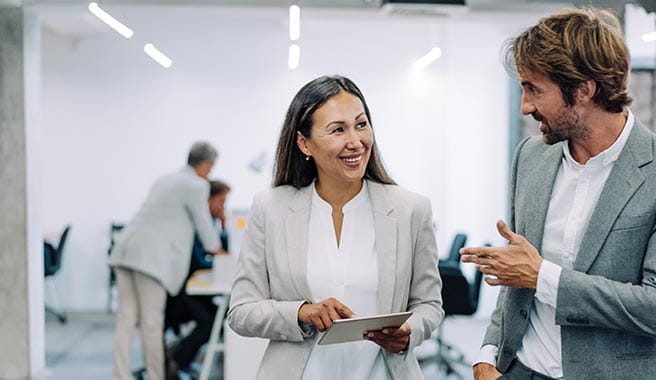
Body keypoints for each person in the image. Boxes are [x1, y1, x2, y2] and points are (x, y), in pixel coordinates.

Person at [461, 8, 656, 380]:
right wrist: (488, 353)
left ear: (583, 90)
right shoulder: (530, 156)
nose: (525, 106)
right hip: (520, 370)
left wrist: (542, 275)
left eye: (534, 89)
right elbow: (518, 275)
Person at [227, 75, 443, 379]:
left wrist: (411, 331)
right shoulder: (270, 209)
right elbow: (241, 311)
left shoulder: (411, 210)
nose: (355, 141)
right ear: (304, 143)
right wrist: (301, 313)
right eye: (338, 130)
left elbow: (429, 305)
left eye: (361, 124)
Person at [110, 142, 227, 380]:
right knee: (152, 322)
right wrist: (218, 251)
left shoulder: (166, 179)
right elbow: (203, 222)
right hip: (150, 258)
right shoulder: (196, 185)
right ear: (205, 164)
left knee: (126, 320)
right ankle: (156, 376)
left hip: (125, 249)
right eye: (211, 167)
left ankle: (120, 375)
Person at [165, 180, 231, 376]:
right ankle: (175, 360)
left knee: (222, 314)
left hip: (190, 292)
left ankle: (178, 356)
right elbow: (199, 262)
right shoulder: (194, 226)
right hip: (179, 294)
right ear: (207, 200)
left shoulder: (209, 225)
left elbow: (220, 252)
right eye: (221, 201)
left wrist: (223, 226)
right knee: (211, 320)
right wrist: (221, 262)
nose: (223, 207)